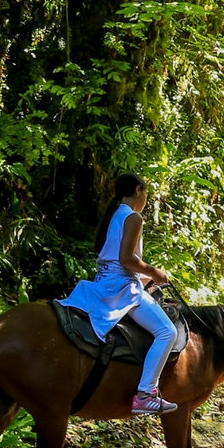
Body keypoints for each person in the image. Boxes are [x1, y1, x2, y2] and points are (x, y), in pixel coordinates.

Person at [59, 173, 178, 415]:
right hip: (122, 288)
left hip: (106, 281)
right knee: (168, 332)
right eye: (145, 193)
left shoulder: (116, 215)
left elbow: (116, 261)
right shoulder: (134, 217)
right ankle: (146, 393)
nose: (145, 198)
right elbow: (126, 259)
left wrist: (145, 277)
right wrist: (156, 272)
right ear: (137, 191)